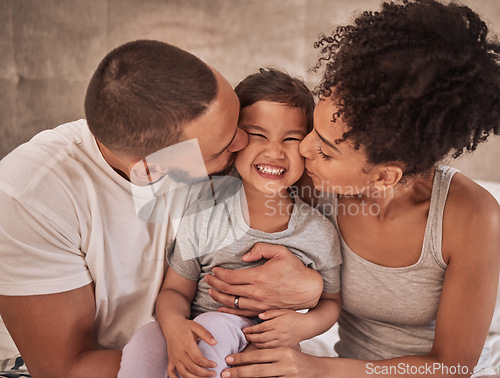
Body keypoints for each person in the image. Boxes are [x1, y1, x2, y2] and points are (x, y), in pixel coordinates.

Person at [202, 1, 500, 377]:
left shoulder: (472, 218)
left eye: (326, 150)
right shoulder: (312, 178)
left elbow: (452, 366)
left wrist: (318, 369)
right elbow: (203, 165)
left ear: (384, 177)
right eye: (313, 129)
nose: (305, 149)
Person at [0, 41, 324, 377]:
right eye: (226, 145)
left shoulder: (199, 135)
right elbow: (65, 369)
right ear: (151, 172)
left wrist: (313, 287)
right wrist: (219, 366)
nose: (245, 143)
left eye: (238, 122)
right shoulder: (28, 196)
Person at [117, 68, 343, 378]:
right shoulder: (205, 210)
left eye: (291, 138)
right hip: (197, 329)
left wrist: (303, 326)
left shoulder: (318, 231)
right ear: (234, 140)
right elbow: (174, 292)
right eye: (259, 134)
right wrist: (174, 328)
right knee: (144, 340)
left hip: (264, 348)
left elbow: (331, 303)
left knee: (216, 330)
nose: (275, 151)